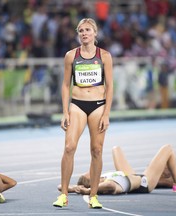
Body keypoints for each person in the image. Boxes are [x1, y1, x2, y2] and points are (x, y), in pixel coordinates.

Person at [52, 18, 113, 209]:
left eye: (87, 30)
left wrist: (106, 114)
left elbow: (110, 87)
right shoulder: (71, 56)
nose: (84, 33)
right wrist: (65, 111)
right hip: (77, 105)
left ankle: (93, 196)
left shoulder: (105, 56)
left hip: (98, 106)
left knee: (97, 150)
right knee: (69, 147)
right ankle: (63, 195)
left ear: (95, 33)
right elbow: (65, 85)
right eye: (80, 30)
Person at [63, 144, 176, 195]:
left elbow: (60, 186)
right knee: (168, 148)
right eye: (90, 174)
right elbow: (111, 186)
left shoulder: (102, 178)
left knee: (115, 148)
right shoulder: (110, 184)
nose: (92, 171)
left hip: (129, 175)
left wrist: (72, 188)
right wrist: (88, 190)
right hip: (144, 182)